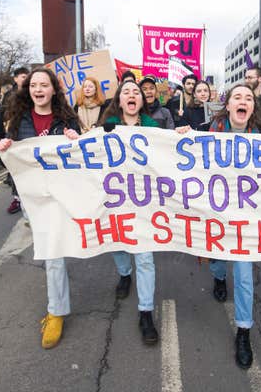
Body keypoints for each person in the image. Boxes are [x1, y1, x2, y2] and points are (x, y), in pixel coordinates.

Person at [176, 83, 261, 369]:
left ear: (252, 108)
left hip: (245, 217)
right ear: (228, 105)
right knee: (218, 259)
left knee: (244, 272)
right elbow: (186, 159)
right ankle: (219, 277)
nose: (243, 101)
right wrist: (182, 137)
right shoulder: (209, 132)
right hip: (217, 214)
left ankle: (243, 331)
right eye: (237, 97)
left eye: (248, 98)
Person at [0, 67, 81, 349]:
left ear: (54, 89)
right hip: (32, 196)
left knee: (52, 250)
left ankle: (56, 312)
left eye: (44, 84)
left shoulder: (67, 119)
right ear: (28, 90)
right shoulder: (18, 120)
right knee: (51, 251)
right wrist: (4, 149)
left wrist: (75, 141)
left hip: (60, 194)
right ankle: (57, 301)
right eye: (34, 85)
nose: (39, 89)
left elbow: (83, 157)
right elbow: (8, 163)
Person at [99, 80, 160, 345]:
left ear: (142, 100)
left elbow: (168, 154)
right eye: (127, 92)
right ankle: (125, 274)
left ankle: (145, 312)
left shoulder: (153, 126)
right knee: (118, 243)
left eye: (136, 92)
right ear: (120, 100)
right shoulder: (108, 123)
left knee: (145, 257)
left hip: (145, 200)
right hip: (116, 198)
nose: (132, 95)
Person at [0, 66, 29, 214]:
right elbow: (0, 114)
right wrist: (1, 134)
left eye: (26, 76)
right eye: (21, 76)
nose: (24, 79)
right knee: (15, 168)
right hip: (11, 134)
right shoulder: (9, 95)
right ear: (15, 79)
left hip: (27, 135)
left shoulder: (32, 93)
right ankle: (17, 198)